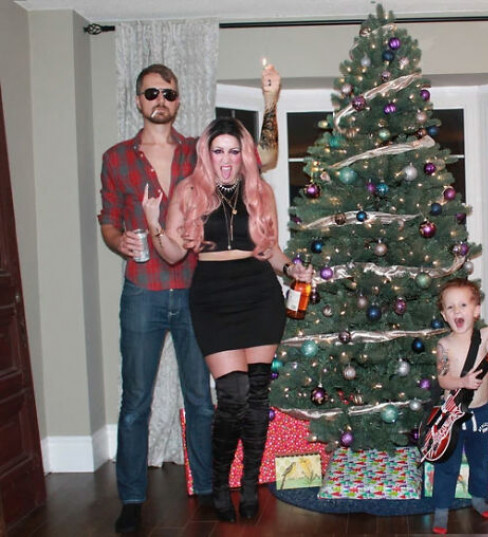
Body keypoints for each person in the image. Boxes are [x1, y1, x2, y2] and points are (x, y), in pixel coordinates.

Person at [98, 63, 281, 533]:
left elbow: (260, 159)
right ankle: (136, 498)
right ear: (138, 99)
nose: (160, 99)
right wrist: (130, 235)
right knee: (143, 402)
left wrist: (270, 101)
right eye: (151, 93)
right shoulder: (122, 160)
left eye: (168, 93)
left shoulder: (208, 158)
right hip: (158, 290)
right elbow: (114, 223)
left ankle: (220, 486)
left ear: (178, 99)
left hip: (225, 292)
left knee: (214, 400)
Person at [141, 117, 313, 523]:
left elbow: (271, 251)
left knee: (257, 396)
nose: (226, 159)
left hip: (259, 295)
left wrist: (293, 270)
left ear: (243, 155)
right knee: (233, 395)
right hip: (213, 297)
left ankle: (250, 486)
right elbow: (172, 254)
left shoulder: (259, 191)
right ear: (206, 153)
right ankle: (220, 485)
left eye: (233, 151)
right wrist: (153, 223)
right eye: (218, 150)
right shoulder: (189, 191)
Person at [431, 277, 488, 535]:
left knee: (480, 459)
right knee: (447, 464)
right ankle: (441, 508)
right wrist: (462, 381)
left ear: (476, 311)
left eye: (463, 305)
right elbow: (443, 379)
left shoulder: (484, 337)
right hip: (453, 416)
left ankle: (479, 497)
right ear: (444, 315)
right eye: (450, 307)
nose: (457, 311)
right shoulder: (444, 345)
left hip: (481, 412)